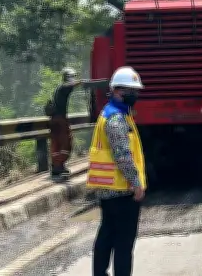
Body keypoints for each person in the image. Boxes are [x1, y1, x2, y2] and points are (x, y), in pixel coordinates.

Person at [88, 66, 147, 276]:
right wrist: (136, 183)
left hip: (109, 189)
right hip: (121, 190)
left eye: (135, 91)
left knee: (107, 234)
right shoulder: (116, 120)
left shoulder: (113, 114)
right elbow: (122, 156)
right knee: (123, 242)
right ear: (116, 91)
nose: (134, 95)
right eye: (130, 91)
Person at [47, 67, 92, 180]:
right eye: (72, 77)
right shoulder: (64, 87)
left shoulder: (59, 88)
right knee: (65, 142)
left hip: (54, 120)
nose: (73, 79)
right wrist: (81, 82)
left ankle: (56, 166)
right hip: (60, 120)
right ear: (67, 77)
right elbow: (69, 85)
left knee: (56, 143)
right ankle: (59, 166)